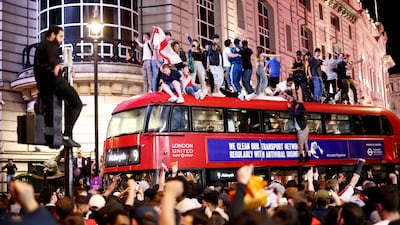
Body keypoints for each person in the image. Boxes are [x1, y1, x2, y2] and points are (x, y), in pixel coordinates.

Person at [34, 25, 82, 148]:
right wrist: (56, 65)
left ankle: (58, 136)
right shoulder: (52, 45)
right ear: (53, 35)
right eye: (60, 36)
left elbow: (46, 65)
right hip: (56, 83)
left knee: (63, 104)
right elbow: (52, 59)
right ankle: (66, 135)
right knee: (77, 104)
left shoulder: (40, 47)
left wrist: (64, 70)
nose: (61, 40)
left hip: (45, 87)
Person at [282, 91, 310, 163]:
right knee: (305, 143)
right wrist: (287, 96)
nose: (296, 105)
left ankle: (301, 156)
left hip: (302, 130)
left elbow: (292, 114)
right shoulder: (299, 110)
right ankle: (307, 156)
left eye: (297, 105)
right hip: (304, 129)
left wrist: (289, 108)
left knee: (300, 144)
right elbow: (294, 101)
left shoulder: (299, 113)